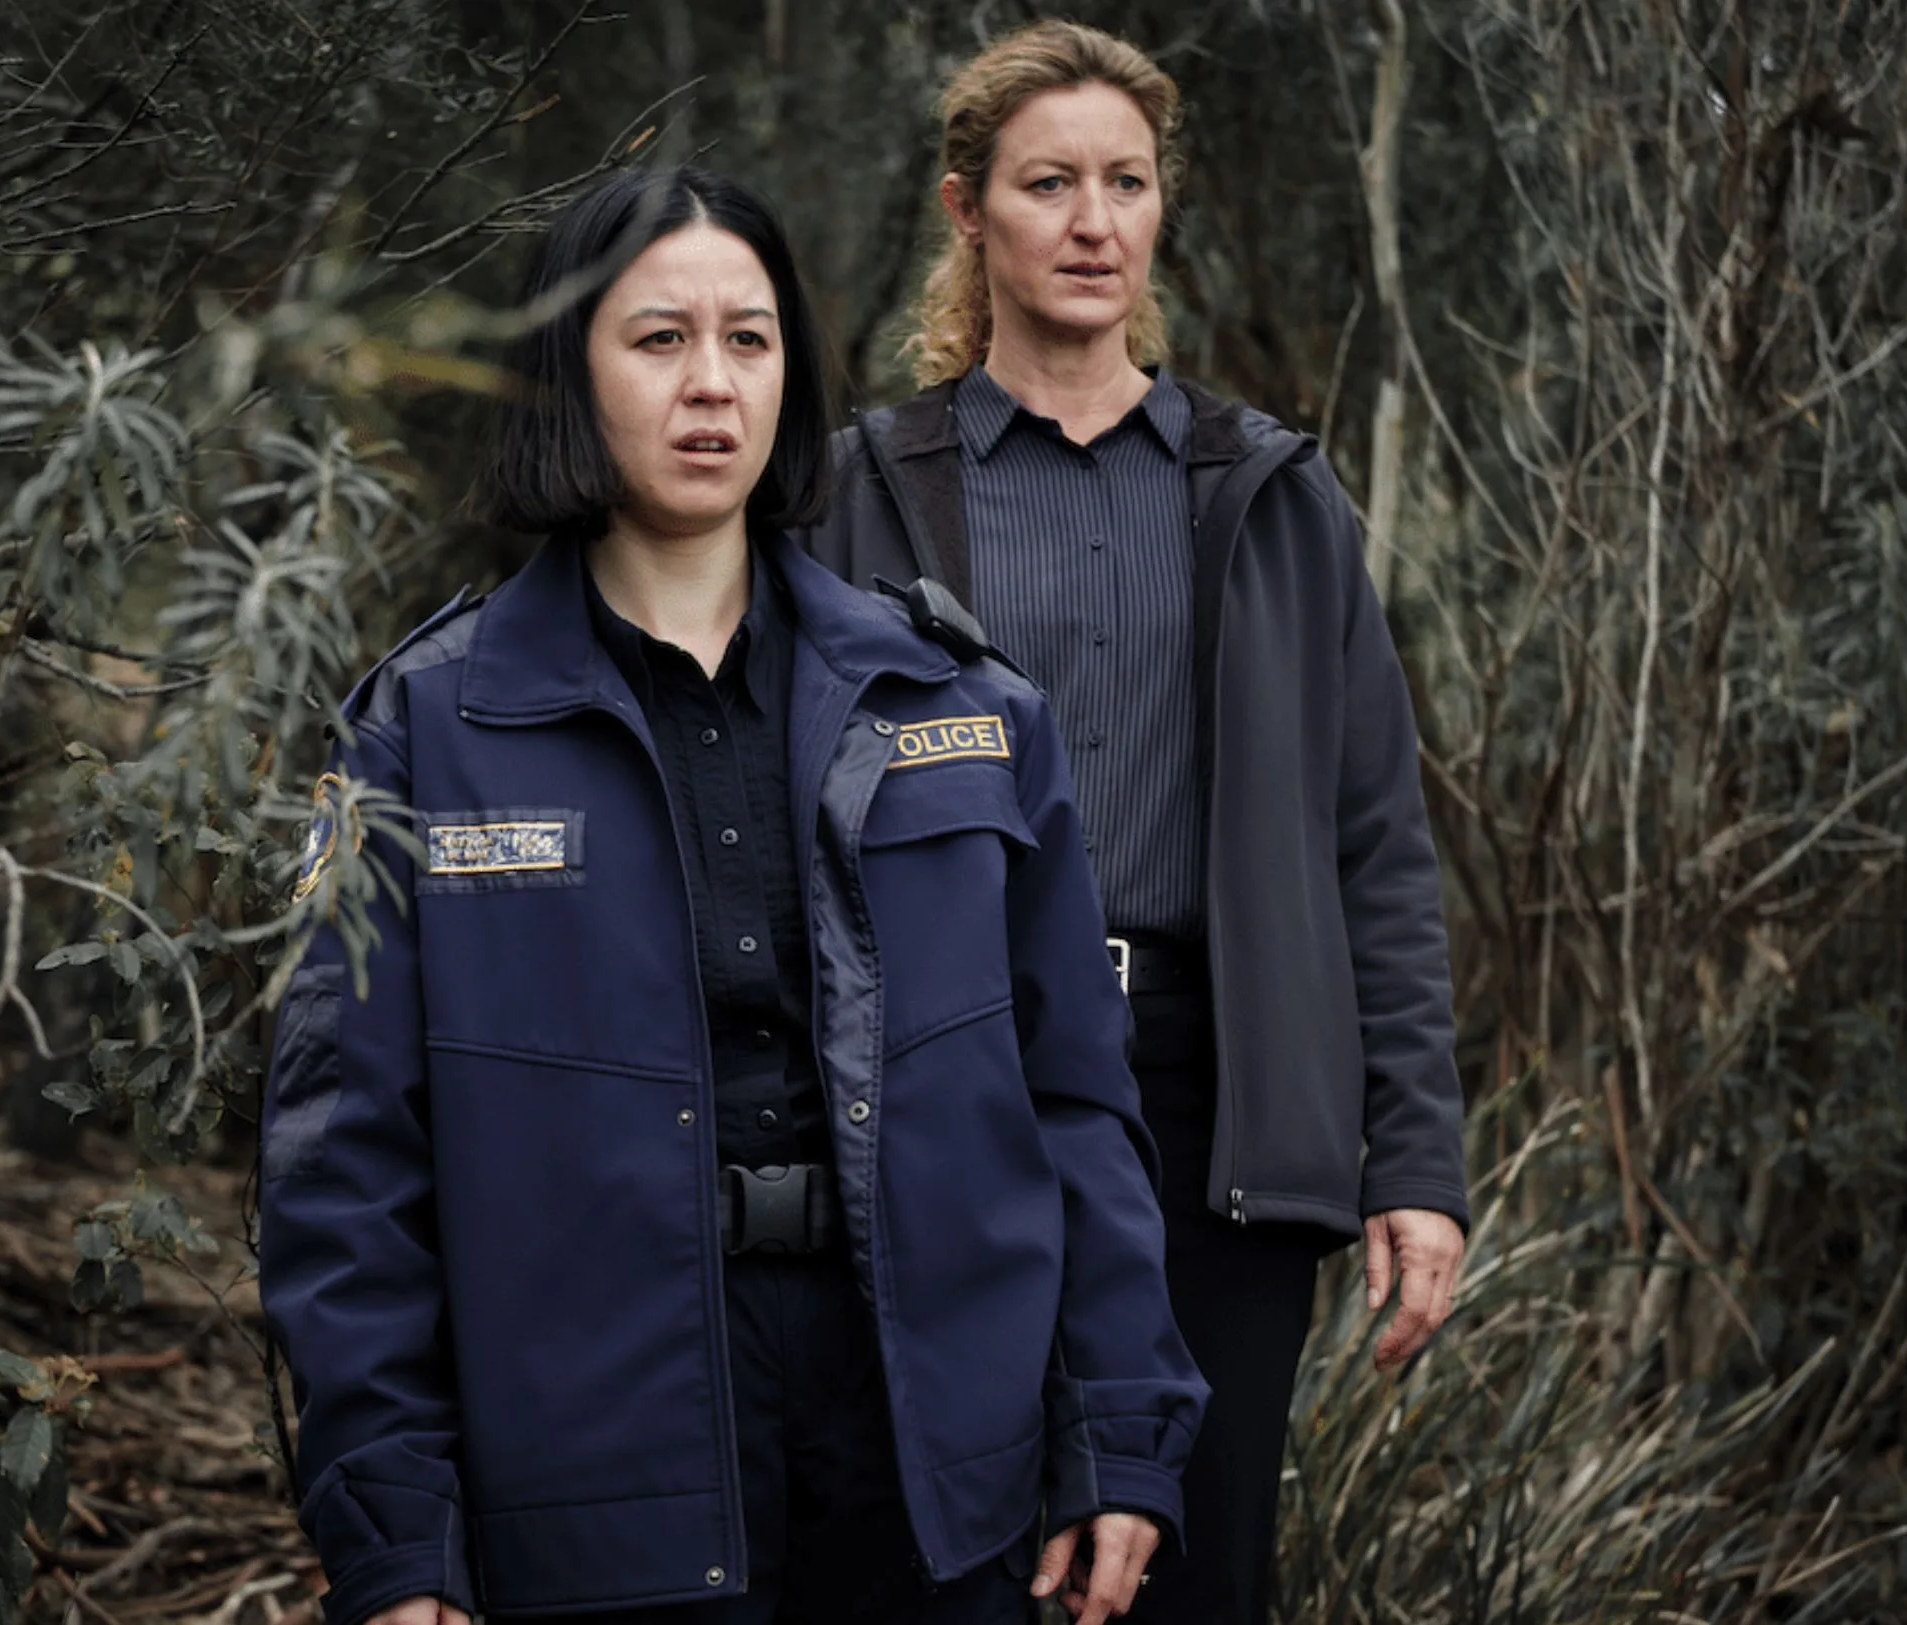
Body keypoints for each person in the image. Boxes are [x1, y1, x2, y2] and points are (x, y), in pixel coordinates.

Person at [258, 163, 1207, 1625]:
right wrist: (393, 1527)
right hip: (594, 1461)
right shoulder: (424, 729)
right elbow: (344, 1164)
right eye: (659, 339)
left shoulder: (962, 706)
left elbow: (1075, 1099)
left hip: (931, 1459)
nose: (712, 383)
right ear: (565, 374)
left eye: (749, 339)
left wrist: (1117, 1433)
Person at [795, 24, 1470, 1625]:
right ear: (967, 210)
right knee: (951, 1571)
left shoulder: (1269, 496)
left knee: (1192, 1578)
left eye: (1127, 182)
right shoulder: (855, 495)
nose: (1093, 222)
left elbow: (1374, 849)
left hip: (1213, 1108)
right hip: (947, 1087)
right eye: (1048, 184)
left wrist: (1414, 1161)